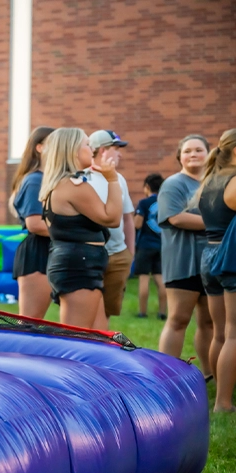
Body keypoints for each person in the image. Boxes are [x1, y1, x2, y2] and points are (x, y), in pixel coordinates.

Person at [38, 128, 122, 328]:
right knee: (78, 338)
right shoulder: (73, 186)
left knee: (98, 334)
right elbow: (112, 218)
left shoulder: (62, 184)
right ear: (72, 150)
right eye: (86, 144)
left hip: (80, 263)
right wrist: (112, 179)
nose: (91, 149)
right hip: (79, 266)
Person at [157, 134, 213, 378]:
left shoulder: (213, 182)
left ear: (208, 154)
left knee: (209, 322)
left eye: (198, 150)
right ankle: (165, 377)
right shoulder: (173, 184)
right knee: (179, 319)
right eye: (187, 150)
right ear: (179, 156)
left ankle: (209, 374)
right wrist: (218, 223)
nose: (193, 154)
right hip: (183, 261)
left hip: (212, 262)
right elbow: (176, 217)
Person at [198, 129, 236, 410]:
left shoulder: (210, 179)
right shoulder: (233, 180)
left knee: (221, 333)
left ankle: (220, 396)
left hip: (209, 254)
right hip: (229, 256)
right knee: (233, 333)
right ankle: (224, 402)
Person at [87, 130, 135, 329]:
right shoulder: (82, 178)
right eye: (116, 149)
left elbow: (127, 217)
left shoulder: (119, 178)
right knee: (88, 309)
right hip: (90, 254)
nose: (120, 154)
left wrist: (130, 253)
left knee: (107, 310)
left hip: (118, 255)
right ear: (103, 150)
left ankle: (101, 350)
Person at [9, 126, 55, 318]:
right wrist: (73, 233)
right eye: (54, 144)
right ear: (39, 148)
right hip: (37, 253)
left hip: (48, 250)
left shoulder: (46, 178)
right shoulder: (35, 180)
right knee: (30, 324)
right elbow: (34, 223)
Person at [134, 173, 167, 319]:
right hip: (161, 245)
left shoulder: (144, 203)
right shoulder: (167, 202)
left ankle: (142, 312)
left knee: (144, 279)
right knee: (160, 280)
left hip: (145, 245)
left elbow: (137, 224)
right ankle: (162, 313)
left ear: (147, 187)